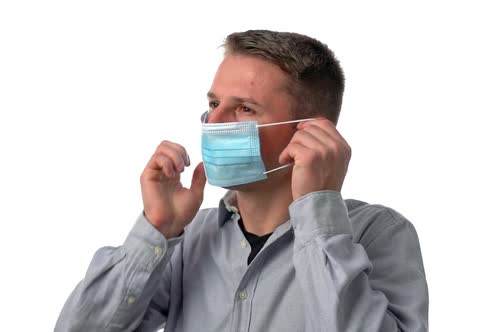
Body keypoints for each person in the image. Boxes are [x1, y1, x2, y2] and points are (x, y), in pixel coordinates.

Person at [54, 30, 428, 332]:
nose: (213, 124)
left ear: (311, 133)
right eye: (214, 104)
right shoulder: (189, 240)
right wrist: (157, 230)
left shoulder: (377, 234)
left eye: (245, 108)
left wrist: (319, 210)